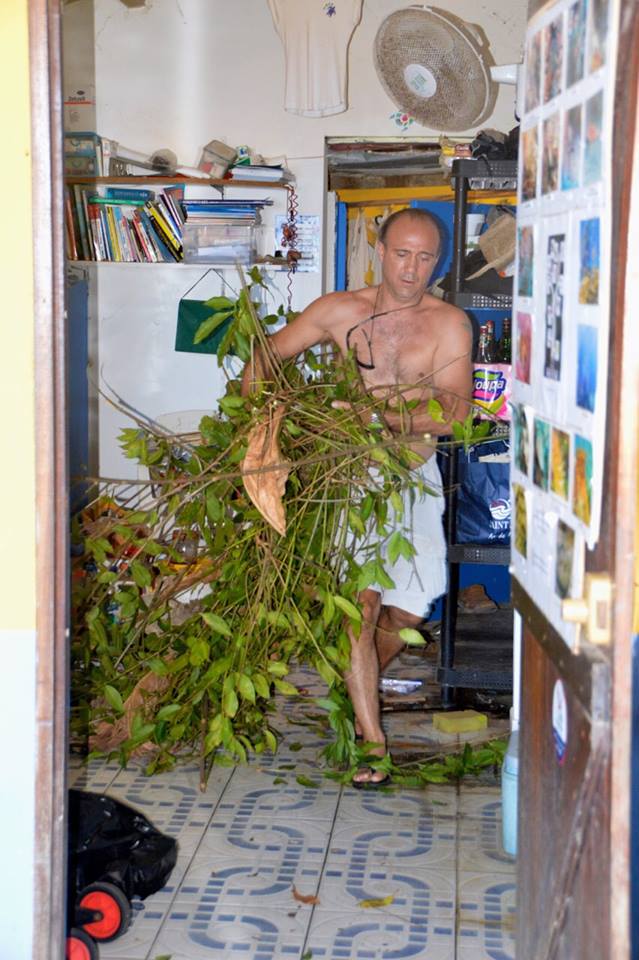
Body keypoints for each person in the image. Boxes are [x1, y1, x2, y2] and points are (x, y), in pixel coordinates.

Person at [242, 208, 473, 786]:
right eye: (402, 254)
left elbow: (456, 412)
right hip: (349, 480)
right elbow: (265, 358)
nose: (412, 269)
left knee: (412, 609)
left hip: (412, 477)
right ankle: (373, 741)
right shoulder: (338, 311)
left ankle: (353, 681)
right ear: (380, 250)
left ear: (437, 261)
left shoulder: (449, 323)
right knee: (361, 608)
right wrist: (265, 424)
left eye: (425, 257)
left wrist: (380, 415)